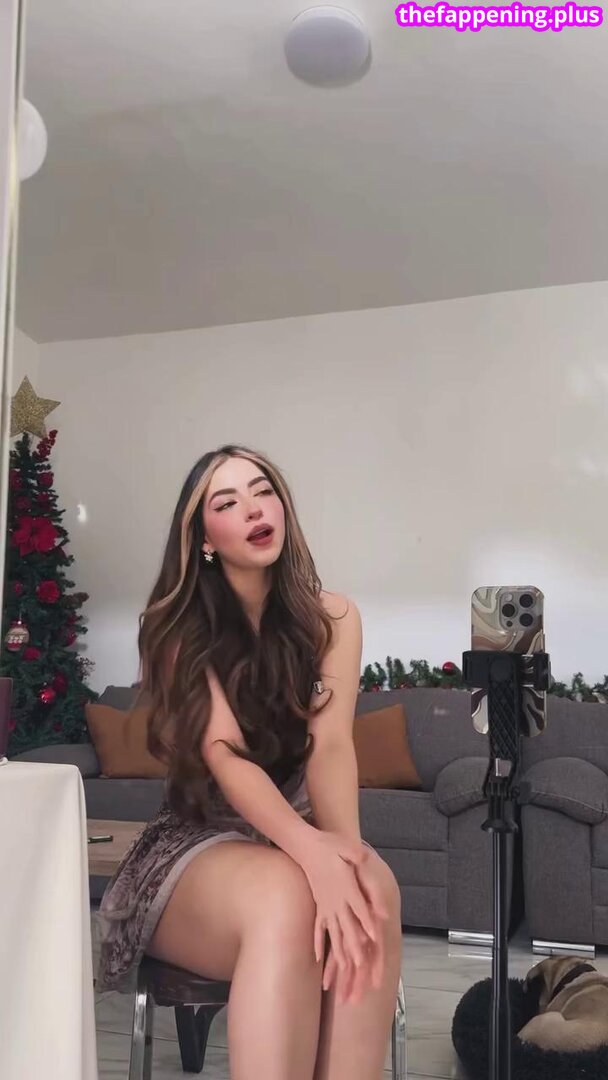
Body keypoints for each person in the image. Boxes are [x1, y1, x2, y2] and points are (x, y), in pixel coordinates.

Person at [97, 444, 403, 1080]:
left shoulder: (333, 618)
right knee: (284, 895)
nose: (254, 509)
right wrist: (311, 853)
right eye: (227, 502)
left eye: (263, 491)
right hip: (195, 842)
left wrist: (343, 855)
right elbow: (224, 752)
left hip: (289, 830)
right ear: (204, 537)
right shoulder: (175, 626)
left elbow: (331, 745)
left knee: (373, 887)